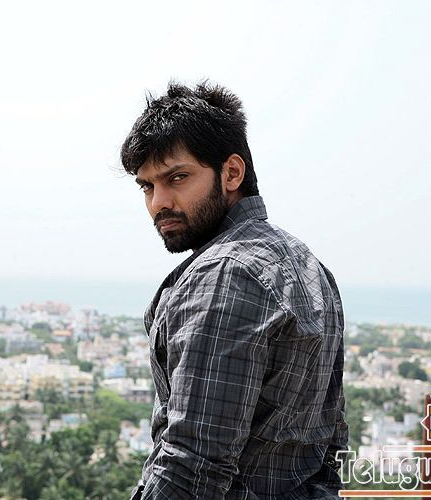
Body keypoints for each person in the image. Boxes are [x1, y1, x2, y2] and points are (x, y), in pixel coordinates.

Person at [120, 81, 348, 499]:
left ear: (231, 173)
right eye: (147, 186)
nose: (158, 202)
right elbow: (330, 443)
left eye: (177, 178)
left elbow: (190, 467)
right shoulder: (309, 266)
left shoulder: (225, 274)